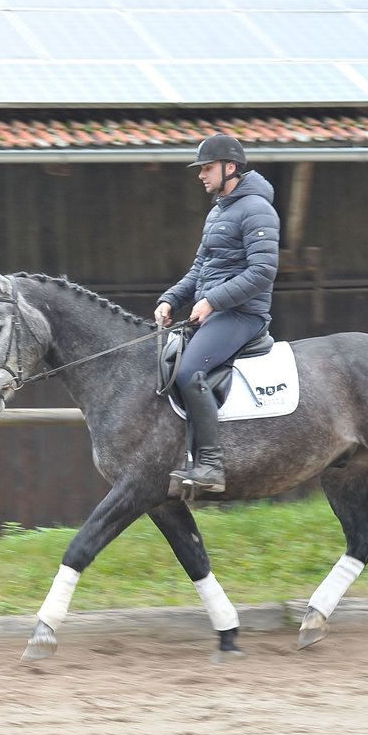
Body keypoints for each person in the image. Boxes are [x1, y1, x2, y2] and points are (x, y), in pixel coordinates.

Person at [154, 133, 281, 493]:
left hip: (243, 315)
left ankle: (211, 465)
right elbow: (200, 269)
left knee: (190, 370)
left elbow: (263, 272)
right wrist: (170, 299)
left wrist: (213, 301)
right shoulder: (218, 211)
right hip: (216, 312)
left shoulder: (257, 209)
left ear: (230, 168)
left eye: (207, 168)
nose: (200, 175)